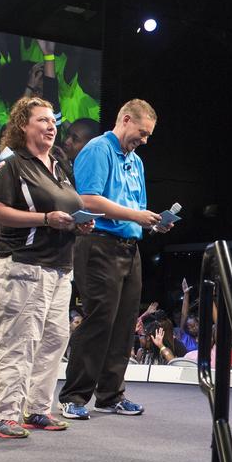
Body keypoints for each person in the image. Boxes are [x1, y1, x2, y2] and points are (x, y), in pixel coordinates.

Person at [0, 96, 88, 439]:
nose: (51, 126)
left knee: (54, 339)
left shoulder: (59, 162)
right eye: (42, 120)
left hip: (60, 268)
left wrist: (79, 223)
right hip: (24, 267)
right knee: (19, 341)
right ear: (23, 126)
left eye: (52, 121)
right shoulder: (14, 163)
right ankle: (3, 414)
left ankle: (37, 409)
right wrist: (45, 218)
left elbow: (70, 207)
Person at [58, 99, 165, 420]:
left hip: (129, 247)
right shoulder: (97, 149)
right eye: (142, 133)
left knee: (124, 324)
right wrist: (136, 214)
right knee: (99, 319)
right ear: (127, 119)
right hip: (99, 243)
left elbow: (136, 207)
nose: (144, 140)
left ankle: (110, 395)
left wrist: (156, 221)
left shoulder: (136, 162)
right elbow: (88, 200)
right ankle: (74, 395)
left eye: (148, 136)